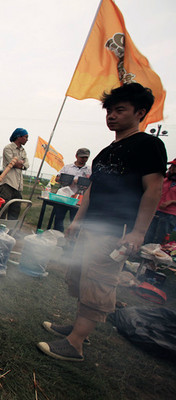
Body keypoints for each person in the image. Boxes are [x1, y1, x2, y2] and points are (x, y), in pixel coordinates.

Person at [37, 83, 167, 362]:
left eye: (120, 110)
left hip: (116, 229)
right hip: (92, 225)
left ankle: (75, 344)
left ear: (140, 112)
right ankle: (78, 327)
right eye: (109, 110)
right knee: (80, 275)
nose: (111, 116)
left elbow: (153, 190)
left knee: (99, 280)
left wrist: (138, 232)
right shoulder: (106, 152)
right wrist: (78, 222)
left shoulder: (149, 145)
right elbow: (92, 191)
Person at [52, 148, 92, 231]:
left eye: (86, 158)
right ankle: (57, 235)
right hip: (64, 197)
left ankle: (71, 240)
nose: (84, 160)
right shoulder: (67, 167)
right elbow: (57, 178)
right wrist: (63, 179)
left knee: (74, 221)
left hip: (78, 199)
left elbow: (90, 183)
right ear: (76, 156)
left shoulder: (89, 170)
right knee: (59, 218)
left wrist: (82, 181)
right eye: (82, 157)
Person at [0, 128, 29, 220]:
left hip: (18, 186)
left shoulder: (23, 151)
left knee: (15, 211)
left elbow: (26, 165)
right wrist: (18, 163)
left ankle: (10, 231)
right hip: (8, 183)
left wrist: (20, 164)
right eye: (25, 137)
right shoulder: (8, 148)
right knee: (2, 209)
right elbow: (12, 163)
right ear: (18, 137)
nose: (27, 139)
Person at [144, 158, 176, 244]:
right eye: (172, 166)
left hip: (169, 215)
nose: (172, 168)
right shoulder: (165, 178)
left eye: (175, 166)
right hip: (156, 211)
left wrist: (171, 201)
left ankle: (154, 256)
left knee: (159, 238)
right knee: (147, 236)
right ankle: (141, 256)